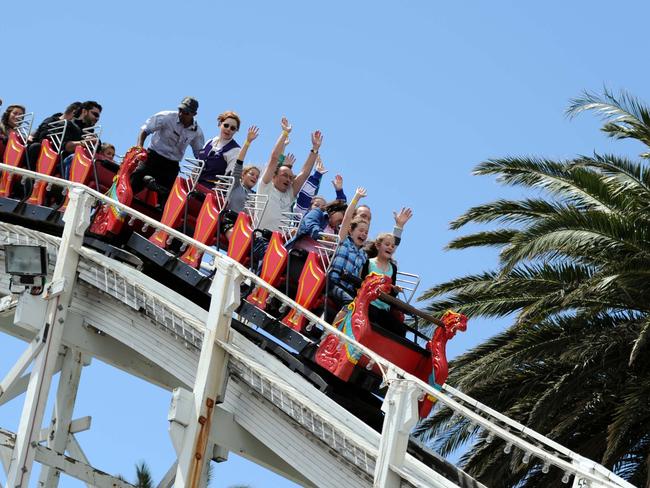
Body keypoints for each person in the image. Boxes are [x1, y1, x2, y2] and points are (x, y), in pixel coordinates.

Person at [131, 96, 205, 203]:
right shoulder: (166, 117)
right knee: (134, 181)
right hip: (152, 158)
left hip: (171, 166)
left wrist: (200, 170)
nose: (181, 114)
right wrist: (139, 149)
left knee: (167, 201)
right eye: (180, 110)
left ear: (194, 114)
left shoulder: (197, 132)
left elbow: (199, 154)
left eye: (186, 112)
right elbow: (145, 130)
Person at [326, 187, 370, 322]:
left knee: (361, 308)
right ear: (351, 230)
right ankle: (330, 333)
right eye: (361, 230)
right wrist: (356, 198)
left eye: (366, 232)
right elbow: (346, 218)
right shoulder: (344, 240)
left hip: (348, 287)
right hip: (333, 282)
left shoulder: (363, 255)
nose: (363, 234)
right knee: (350, 304)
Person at [360, 232, 406, 336]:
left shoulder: (392, 268)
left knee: (401, 329)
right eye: (387, 244)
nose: (390, 247)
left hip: (384, 309)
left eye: (393, 246)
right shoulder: (369, 263)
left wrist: (394, 290)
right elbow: (361, 283)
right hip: (368, 304)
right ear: (378, 245)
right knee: (372, 317)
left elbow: (391, 294)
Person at [220, 125, 261, 240]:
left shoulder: (255, 195)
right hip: (230, 219)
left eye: (257, 177)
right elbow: (239, 162)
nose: (255, 177)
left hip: (245, 225)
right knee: (237, 239)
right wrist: (248, 142)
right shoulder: (236, 185)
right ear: (243, 175)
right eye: (252, 174)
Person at [197, 111, 241, 188]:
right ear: (220, 124)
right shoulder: (210, 142)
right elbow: (197, 166)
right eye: (226, 125)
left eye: (232, 128)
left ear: (235, 131)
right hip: (195, 184)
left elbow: (228, 177)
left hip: (211, 192)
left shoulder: (235, 150)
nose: (228, 129)